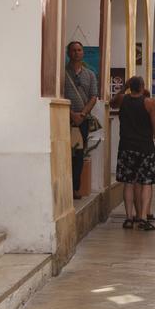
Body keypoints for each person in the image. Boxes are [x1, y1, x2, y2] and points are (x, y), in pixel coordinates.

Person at [111, 76, 155, 231]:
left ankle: (128, 218)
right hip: (145, 148)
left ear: (130, 86)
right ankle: (142, 217)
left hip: (126, 147)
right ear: (142, 86)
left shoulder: (123, 99)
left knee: (128, 183)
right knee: (146, 182)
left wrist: (123, 88)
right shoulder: (149, 103)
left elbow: (112, 102)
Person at [63, 41, 99, 200]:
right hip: (65, 119)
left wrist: (82, 114)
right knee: (65, 154)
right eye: (73, 50)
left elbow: (93, 97)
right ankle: (65, 186)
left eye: (79, 50)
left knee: (78, 155)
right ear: (68, 53)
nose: (76, 53)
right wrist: (71, 114)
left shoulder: (90, 74)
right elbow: (59, 95)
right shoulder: (63, 73)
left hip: (82, 121)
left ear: (83, 53)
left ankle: (75, 188)